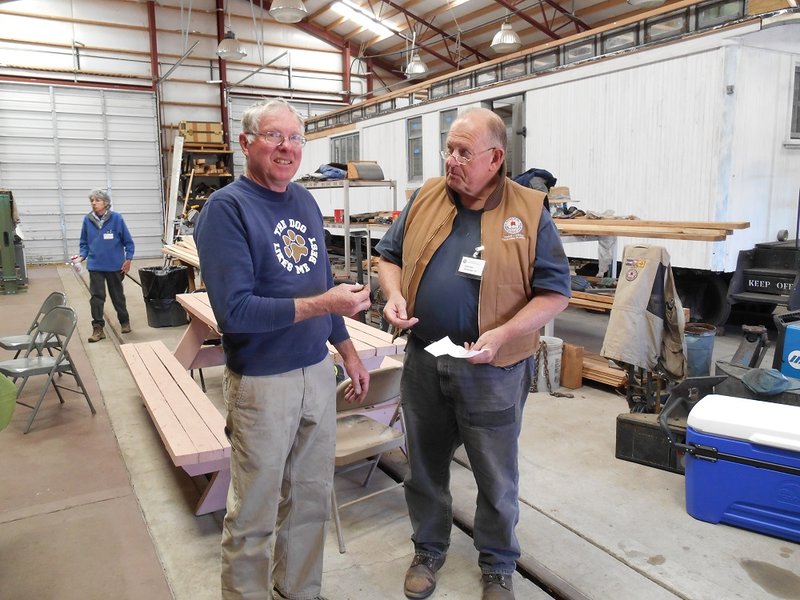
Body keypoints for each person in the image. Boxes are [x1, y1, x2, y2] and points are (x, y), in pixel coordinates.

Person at [376, 107, 571, 600]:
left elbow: (555, 294)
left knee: (495, 474)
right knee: (423, 464)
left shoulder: (529, 211)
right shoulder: (425, 198)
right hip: (424, 358)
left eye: (464, 151)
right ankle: (428, 549)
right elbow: (389, 256)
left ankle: (498, 563)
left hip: (493, 369)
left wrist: (504, 334)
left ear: (495, 157)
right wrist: (394, 295)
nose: (452, 159)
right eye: (449, 148)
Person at [194, 98, 372, 600]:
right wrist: (324, 305)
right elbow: (236, 314)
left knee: (311, 499)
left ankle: (298, 591)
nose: (287, 148)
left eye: (295, 138)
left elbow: (320, 288)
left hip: (316, 370)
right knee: (254, 512)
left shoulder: (304, 202)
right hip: (262, 382)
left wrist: (349, 351)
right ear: (246, 143)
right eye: (275, 136)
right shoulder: (226, 209)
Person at [77, 190, 134, 342]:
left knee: (117, 296)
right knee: (97, 298)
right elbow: (84, 242)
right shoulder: (87, 220)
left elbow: (128, 242)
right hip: (95, 265)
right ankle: (98, 328)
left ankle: (124, 321)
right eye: (92, 201)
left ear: (105, 203)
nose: (93, 203)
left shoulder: (117, 219)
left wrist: (128, 259)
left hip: (115, 265)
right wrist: (81, 256)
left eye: (97, 200)